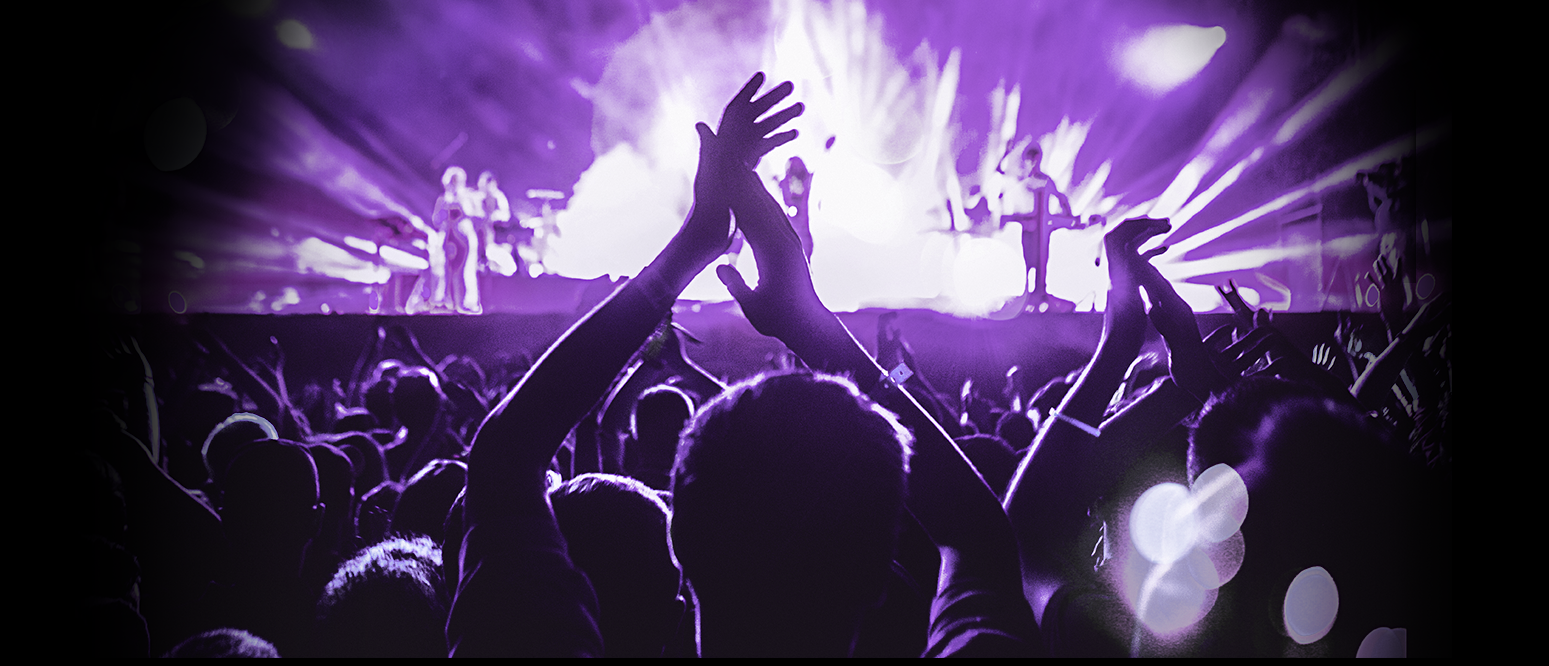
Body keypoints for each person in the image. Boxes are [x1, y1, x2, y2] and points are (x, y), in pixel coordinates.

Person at [997, 143, 1090, 314]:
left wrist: (1069, 216)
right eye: (1030, 159)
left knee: (1042, 261)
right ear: (1025, 160)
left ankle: (1041, 294)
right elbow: (1004, 189)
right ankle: (1027, 294)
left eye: (1035, 159)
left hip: (1043, 229)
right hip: (1028, 229)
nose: (1033, 162)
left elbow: (1060, 198)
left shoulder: (1045, 181)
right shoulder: (1020, 182)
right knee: (1028, 261)